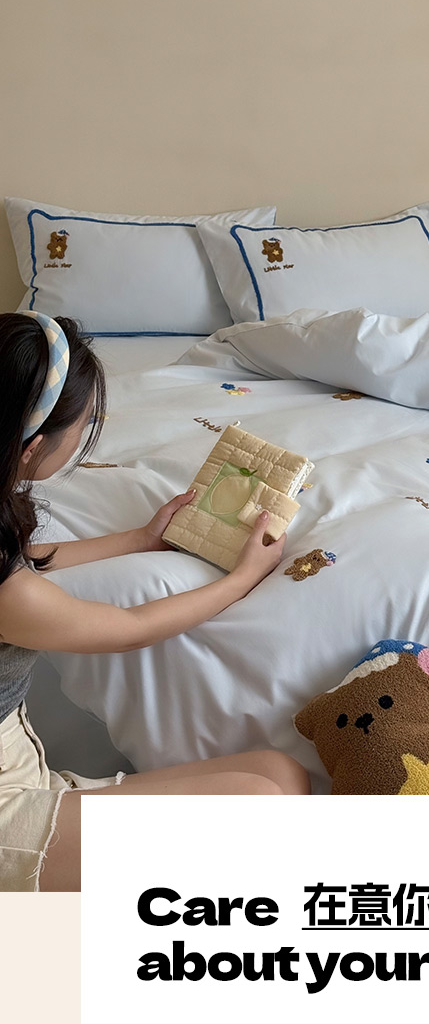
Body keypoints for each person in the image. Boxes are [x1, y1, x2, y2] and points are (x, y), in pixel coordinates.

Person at [0, 311, 309, 894]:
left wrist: (141, 539)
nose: (89, 431)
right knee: (260, 801)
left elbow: (28, 557)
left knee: (281, 773)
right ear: (33, 447)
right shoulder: (9, 595)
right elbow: (128, 627)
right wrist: (242, 578)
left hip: (23, 775)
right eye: (86, 423)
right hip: (8, 810)